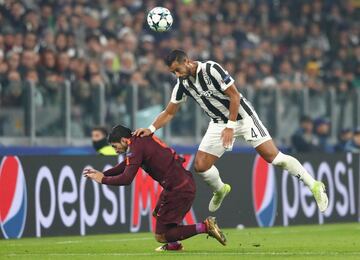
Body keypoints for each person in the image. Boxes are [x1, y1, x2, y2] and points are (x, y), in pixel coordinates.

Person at [134, 49, 328, 213]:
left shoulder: (212, 69)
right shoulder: (183, 84)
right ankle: (220, 190)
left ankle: (314, 185)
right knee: (201, 165)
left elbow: (234, 96)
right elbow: (169, 112)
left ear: (187, 61)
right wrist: (151, 129)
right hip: (218, 122)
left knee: (274, 158)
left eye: (177, 70)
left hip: (244, 118)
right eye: (173, 72)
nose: (176, 75)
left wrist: (230, 126)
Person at [84, 124, 227, 251]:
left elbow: (126, 179)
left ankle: (205, 226)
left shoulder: (136, 147)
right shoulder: (139, 140)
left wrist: (102, 179)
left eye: (115, 146)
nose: (116, 151)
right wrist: (104, 173)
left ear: (123, 140)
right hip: (179, 183)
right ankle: (174, 245)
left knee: (161, 236)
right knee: (157, 213)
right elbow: (126, 164)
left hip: (178, 188)